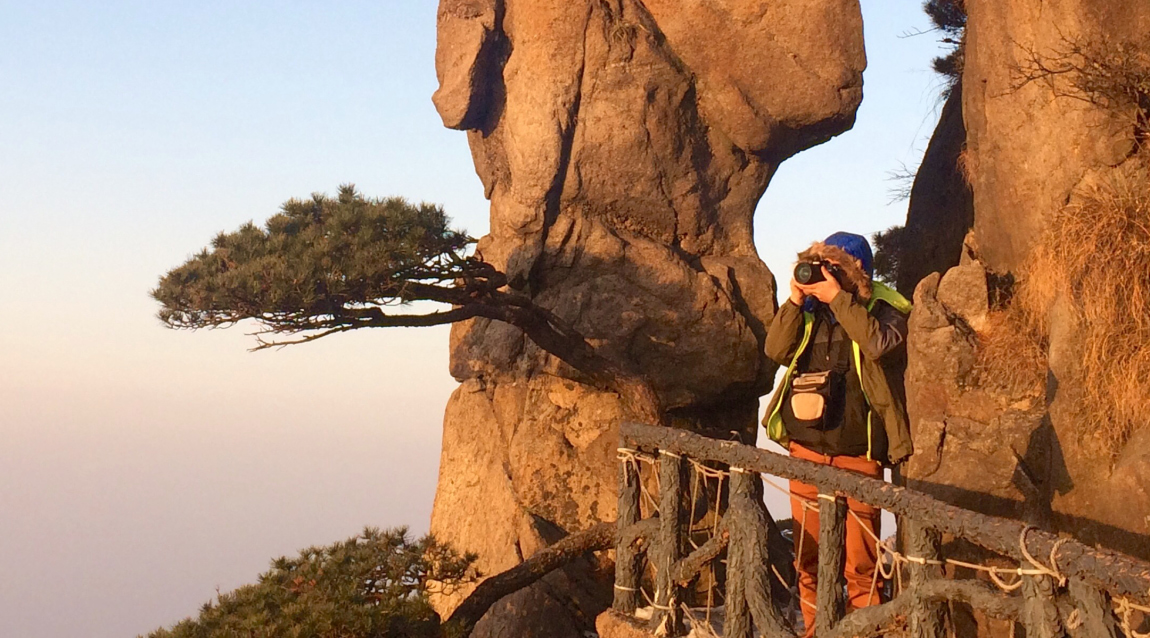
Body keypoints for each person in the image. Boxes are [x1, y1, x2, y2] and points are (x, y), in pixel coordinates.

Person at [762, 232, 913, 636]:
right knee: (809, 559)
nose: (825, 274)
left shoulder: (885, 308)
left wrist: (840, 300)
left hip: (858, 453)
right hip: (807, 451)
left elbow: (879, 344)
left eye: (834, 267)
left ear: (857, 270)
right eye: (821, 266)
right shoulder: (809, 312)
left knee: (861, 563)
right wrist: (795, 301)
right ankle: (816, 630)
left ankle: (865, 632)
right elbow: (776, 350)